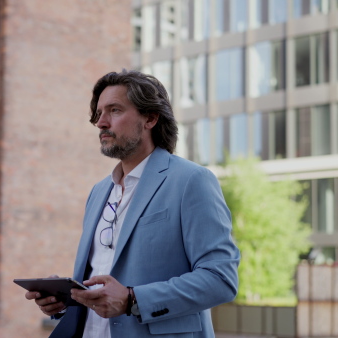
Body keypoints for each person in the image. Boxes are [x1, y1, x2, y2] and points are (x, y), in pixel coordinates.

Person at [25, 70, 240, 337]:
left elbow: (220, 280)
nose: (101, 122)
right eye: (99, 113)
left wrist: (132, 299)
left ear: (150, 118)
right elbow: (103, 281)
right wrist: (66, 299)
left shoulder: (191, 181)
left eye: (114, 110)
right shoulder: (99, 192)